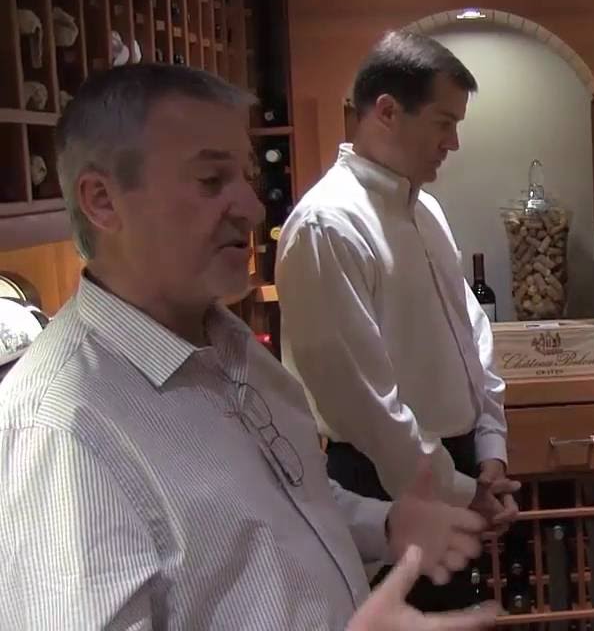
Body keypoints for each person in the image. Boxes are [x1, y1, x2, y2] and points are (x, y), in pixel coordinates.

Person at [0, 63, 498, 630]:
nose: (252, 208)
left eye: (245, 179)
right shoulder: (58, 432)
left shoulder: (233, 352)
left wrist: (386, 526)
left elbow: (284, 506)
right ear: (102, 200)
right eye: (211, 181)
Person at [275, 31, 519, 613]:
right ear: (386, 110)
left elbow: (471, 336)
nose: (453, 142)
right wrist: (464, 490)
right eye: (443, 122)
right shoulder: (327, 226)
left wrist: (490, 448)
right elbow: (366, 405)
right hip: (384, 482)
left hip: (453, 470)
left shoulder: (426, 209)